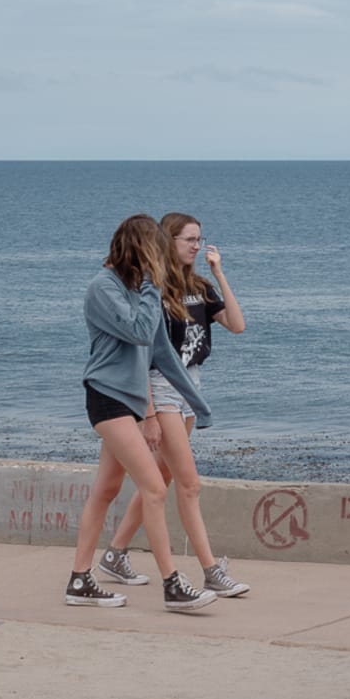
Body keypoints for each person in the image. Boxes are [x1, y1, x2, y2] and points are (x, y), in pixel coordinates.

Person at [64, 214, 217, 613]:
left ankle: (80, 579)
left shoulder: (135, 289)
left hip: (128, 402)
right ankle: (172, 584)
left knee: (106, 490)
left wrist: (198, 407)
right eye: (155, 252)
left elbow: (163, 355)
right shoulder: (105, 288)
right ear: (139, 249)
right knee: (153, 487)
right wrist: (152, 284)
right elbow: (138, 331)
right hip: (107, 397)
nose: (161, 260)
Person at [95, 212, 250, 599]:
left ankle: (114, 554)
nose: (197, 246)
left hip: (189, 386)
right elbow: (143, 354)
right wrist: (147, 411)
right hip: (162, 387)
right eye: (189, 240)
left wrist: (219, 274)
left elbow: (237, 324)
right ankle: (210, 570)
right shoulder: (155, 290)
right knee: (188, 483)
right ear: (169, 241)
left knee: (160, 479)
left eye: (200, 239)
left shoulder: (198, 286)